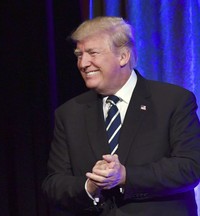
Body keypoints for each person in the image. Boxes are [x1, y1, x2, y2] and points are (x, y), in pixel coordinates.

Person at [42, 16, 200, 216]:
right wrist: (89, 186)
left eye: (92, 53)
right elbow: (54, 184)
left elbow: (190, 167)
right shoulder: (69, 113)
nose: (83, 63)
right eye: (79, 55)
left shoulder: (173, 101)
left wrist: (126, 175)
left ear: (123, 56)